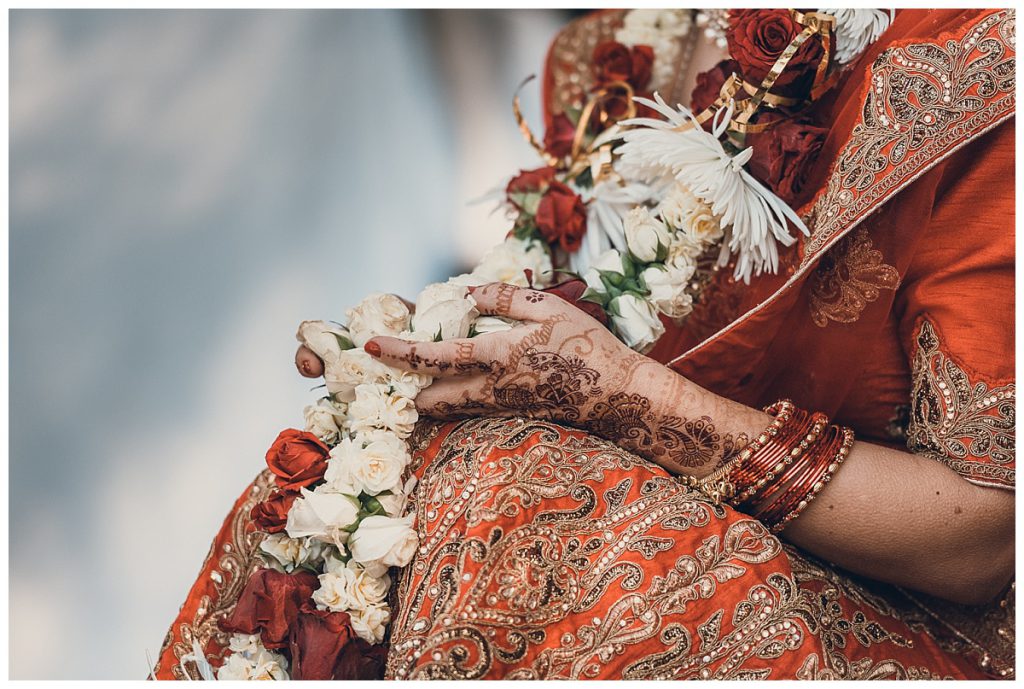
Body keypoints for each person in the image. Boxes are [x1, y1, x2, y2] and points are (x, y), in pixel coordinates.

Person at [152, 8, 1015, 680]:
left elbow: (981, 536)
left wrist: (618, 395)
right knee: (331, 493)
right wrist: (443, 344)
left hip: (890, 610)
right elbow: (582, 302)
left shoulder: (975, 72)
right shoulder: (601, 62)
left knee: (525, 495)